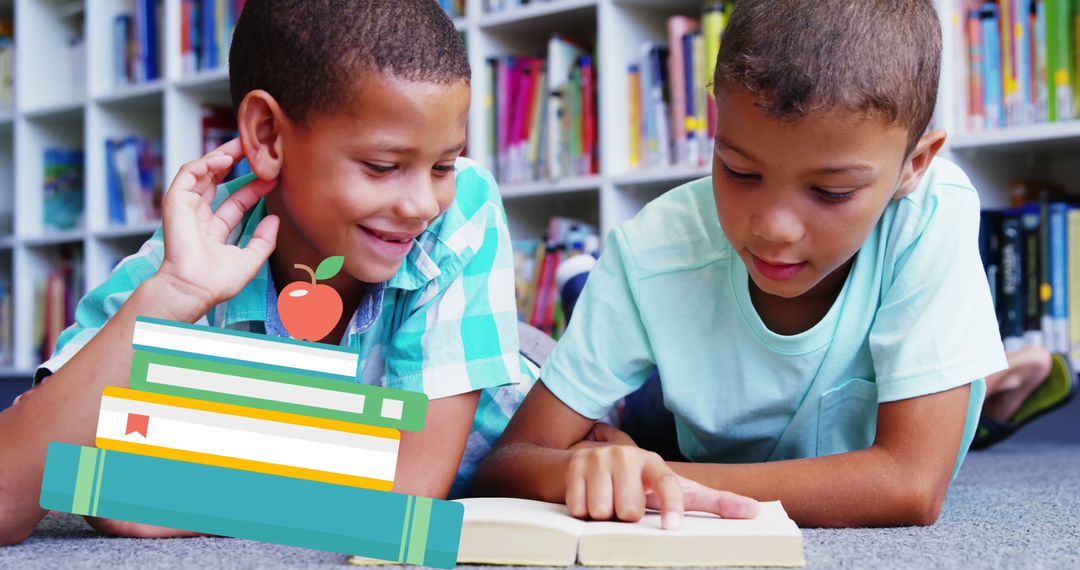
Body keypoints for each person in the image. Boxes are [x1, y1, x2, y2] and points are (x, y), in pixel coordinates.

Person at [0, 0, 524, 545]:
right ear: (268, 136)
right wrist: (173, 295)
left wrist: (173, 493)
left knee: (584, 429)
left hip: (515, 408)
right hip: (378, 409)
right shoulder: (188, 257)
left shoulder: (461, 208)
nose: (421, 203)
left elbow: (407, 494)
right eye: (382, 167)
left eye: (443, 165)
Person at [473, 0, 1009, 529]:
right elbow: (508, 463)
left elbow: (910, 487)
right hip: (674, 395)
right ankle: (585, 287)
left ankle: (581, 287)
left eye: (831, 191)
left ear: (913, 165)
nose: (774, 228)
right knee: (635, 411)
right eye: (739, 171)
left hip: (682, 434)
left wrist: (659, 478)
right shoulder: (651, 251)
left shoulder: (931, 210)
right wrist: (581, 469)